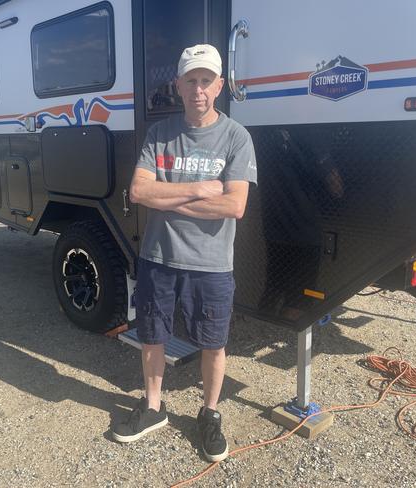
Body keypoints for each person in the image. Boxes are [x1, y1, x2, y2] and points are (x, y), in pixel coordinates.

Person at [111, 44, 257, 462]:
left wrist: (166, 197)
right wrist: (196, 189)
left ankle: (209, 414)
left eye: (206, 80)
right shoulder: (160, 134)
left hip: (210, 264)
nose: (198, 89)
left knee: (214, 343)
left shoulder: (235, 137)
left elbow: (235, 206)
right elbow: (139, 191)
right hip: (158, 257)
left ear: (220, 86)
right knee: (152, 335)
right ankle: (153, 407)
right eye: (190, 80)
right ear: (177, 85)